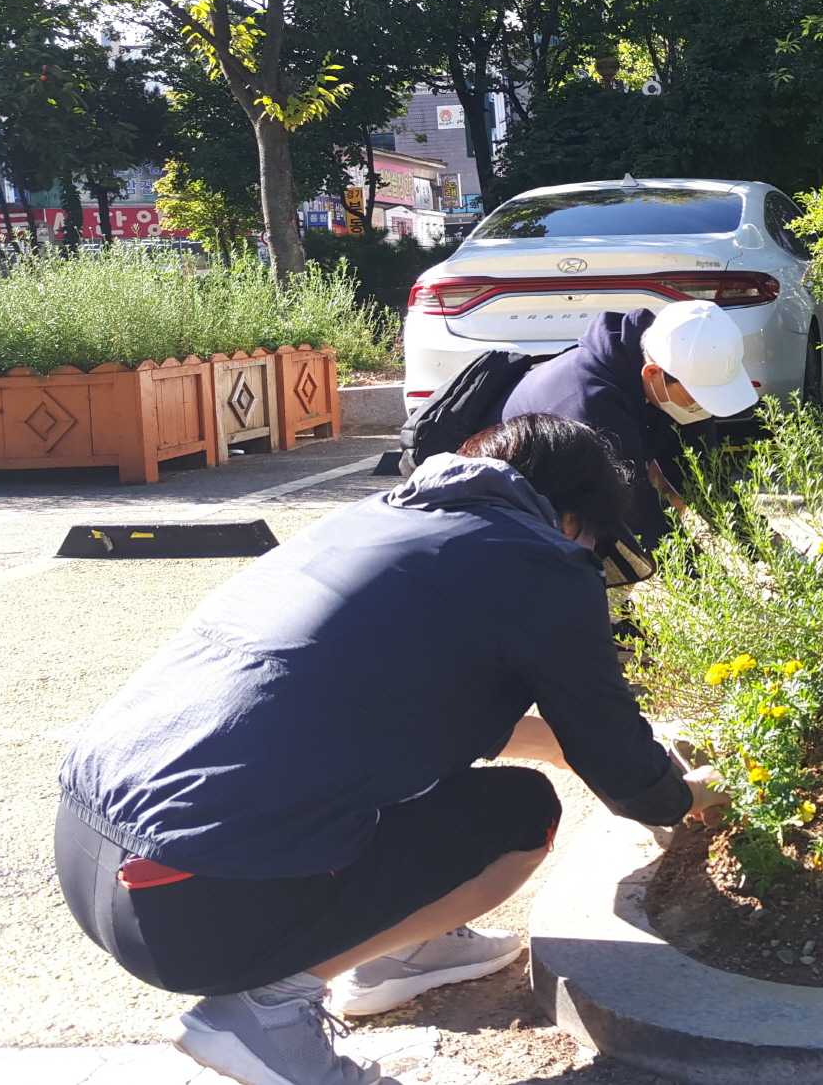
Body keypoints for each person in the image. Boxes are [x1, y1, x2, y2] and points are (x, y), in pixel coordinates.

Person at [56, 414, 730, 1085]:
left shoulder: (376, 519)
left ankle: (400, 954)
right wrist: (687, 796)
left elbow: (372, 692)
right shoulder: (542, 560)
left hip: (94, 853)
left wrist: (550, 743)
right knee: (524, 815)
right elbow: (620, 763)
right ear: (574, 519)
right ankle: (267, 1011)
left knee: (443, 782)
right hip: (198, 904)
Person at [501, 300, 758, 551]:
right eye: (698, 395)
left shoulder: (671, 369)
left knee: (674, 483)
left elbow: (700, 472)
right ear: (653, 373)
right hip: (520, 497)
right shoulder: (590, 402)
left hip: (588, 476)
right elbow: (633, 509)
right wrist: (702, 583)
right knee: (598, 538)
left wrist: (761, 544)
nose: (705, 407)